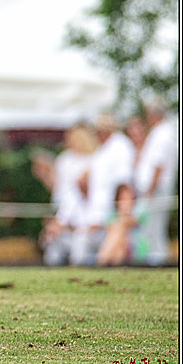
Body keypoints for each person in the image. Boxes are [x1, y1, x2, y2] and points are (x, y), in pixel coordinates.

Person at [72, 113, 135, 266]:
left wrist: (117, 217)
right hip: (96, 215)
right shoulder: (102, 149)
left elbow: (124, 186)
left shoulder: (121, 146)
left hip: (111, 216)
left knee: (109, 255)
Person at [39, 124, 96, 266]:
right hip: (65, 217)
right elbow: (60, 192)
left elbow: (80, 197)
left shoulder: (93, 161)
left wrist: (63, 222)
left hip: (85, 221)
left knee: (79, 243)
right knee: (52, 243)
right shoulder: (64, 160)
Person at [135, 96, 178, 266]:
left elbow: (158, 167)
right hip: (155, 192)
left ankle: (157, 263)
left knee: (154, 231)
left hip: (156, 193)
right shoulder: (164, 133)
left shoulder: (162, 135)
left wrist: (148, 192)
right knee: (152, 231)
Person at [96, 183, 148, 266]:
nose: (125, 201)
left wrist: (124, 213)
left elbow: (130, 223)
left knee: (120, 235)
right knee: (119, 240)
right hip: (118, 247)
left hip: (135, 247)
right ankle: (112, 268)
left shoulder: (139, 211)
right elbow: (109, 229)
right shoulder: (112, 214)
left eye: (128, 198)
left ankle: (102, 262)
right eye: (122, 198)